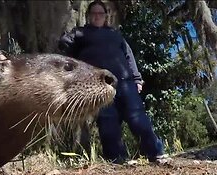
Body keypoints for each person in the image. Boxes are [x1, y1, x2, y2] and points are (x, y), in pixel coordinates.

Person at [58, 0, 168, 164]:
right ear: (88, 16)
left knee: (138, 118)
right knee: (108, 122)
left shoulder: (115, 35)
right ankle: (117, 159)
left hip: (125, 82)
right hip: (99, 85)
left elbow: (129, 56)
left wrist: (137, 79)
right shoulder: (80, 33)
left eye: (100, 13)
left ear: (105, 16)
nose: (97, 16)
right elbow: (65, 46)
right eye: (93, 13)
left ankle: (156, 153)